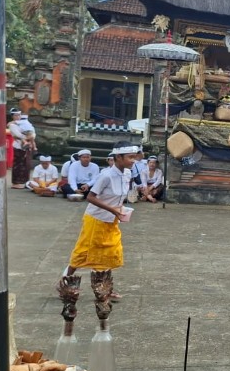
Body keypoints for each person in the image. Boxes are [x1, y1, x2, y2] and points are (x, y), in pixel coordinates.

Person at [56, 142, 142, 317]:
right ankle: (64, 283)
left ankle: (106, 289)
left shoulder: (127, 173)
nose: (133, 161)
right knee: (82, 253)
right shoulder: (106, 176)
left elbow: (122, 195)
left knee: (110, 254)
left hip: (112, 220)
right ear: (118, 158)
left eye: (134, 157)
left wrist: (120, 209)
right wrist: (112, 210)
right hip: (96, 219)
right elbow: (91, 197)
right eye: (130, 157)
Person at [8, 108, 36, 188]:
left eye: (19, 115)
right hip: (18, 146)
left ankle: (25, 182)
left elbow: (32, 131)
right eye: (16, 115)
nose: (18, 117)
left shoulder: (25, 123)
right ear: (12, 116)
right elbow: (18, 135)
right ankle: (16, 182)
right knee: (18, 164)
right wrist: (28, 137)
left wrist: (31, 137)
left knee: (26, 165)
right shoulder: (12, 125)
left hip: (28, 146)